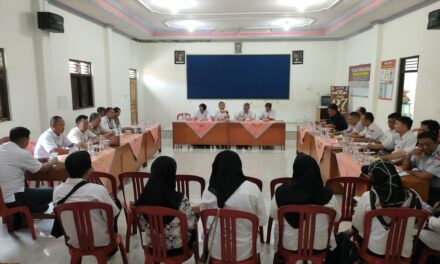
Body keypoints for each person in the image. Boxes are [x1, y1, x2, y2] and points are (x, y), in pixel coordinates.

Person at [270, 153, 341, 259]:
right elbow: (337, 217)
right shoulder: (327, 195)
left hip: (289, 245)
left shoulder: (281, 192)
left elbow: (273, 214)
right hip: (318, 246)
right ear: (316, 171)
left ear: (296, 171)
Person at [200, 150, 267, 261]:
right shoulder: (252, 189)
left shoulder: (208, 191)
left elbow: (205, 220)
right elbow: (262, 221)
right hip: (246, 252)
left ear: (216, 167)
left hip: (217, 252)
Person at [352, 159, 422, 258]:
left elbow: (357, 225)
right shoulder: (414, 195)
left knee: (356, 231)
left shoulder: (369, 196)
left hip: (376, 251)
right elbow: (419, 225)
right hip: (403, 253)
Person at [53, 151, 120, 249]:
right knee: (116, 205)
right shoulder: (98, 190)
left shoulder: (57, 191)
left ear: (67, 170)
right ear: (89, 171)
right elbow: (112, 215)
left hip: (73, 242)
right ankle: (112, 248)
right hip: (101, 241)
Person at [135, 156, 198, 256]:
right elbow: (191, 224)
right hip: (178, 249)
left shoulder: (143, 198)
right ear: (171, 174)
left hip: (153, 247)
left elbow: (142, 225)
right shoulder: (179, 199)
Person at [0, 127, 56, 220]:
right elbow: (42, 169)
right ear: (24, 140)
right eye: (28, 140)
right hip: (14, 198)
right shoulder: (21, 153)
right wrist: (53, 161)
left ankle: (32, 211)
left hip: (2, 199)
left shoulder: (3, 148)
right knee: (55, 192)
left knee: (43, 206)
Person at [402, 131, 440, 206]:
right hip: (424, 185)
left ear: (436, 142)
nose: (425, 147)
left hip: (436, 192)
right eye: (421, 144)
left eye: (428, 144)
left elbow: (425, 175)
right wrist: (408, 155)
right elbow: (405, 167)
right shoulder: (421, 151)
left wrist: (411, 172)